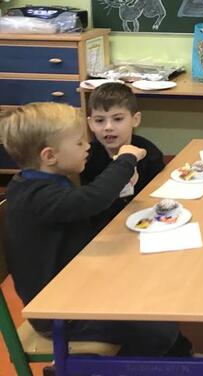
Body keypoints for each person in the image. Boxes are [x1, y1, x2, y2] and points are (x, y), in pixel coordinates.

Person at [0, 102, 190, 356]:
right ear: (49, 156)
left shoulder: (45, 184)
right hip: (60, 312)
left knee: (158, 295)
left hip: (78, 286)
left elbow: (82, 212)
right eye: (79, 143)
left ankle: (181, 355)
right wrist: (125, 160)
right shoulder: (34, 196)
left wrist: (119, 188)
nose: (88, 146)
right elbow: (90, 200)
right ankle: (105, 367)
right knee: (158, 329)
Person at [81, 82, 164, 231]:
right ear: (90, 123)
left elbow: (158, 198)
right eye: (99, 120)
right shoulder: (86, 159)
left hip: (146, 223)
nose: (108, 127)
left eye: (118, 119)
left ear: (135, 119)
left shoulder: (151, 155)